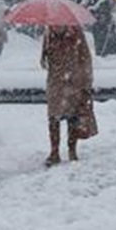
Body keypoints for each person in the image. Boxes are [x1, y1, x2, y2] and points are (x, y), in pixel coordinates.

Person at [41, 23, 95, 166]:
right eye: (52, 24)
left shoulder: (76, 34)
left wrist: (86, 82)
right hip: (55, 83)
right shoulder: (48, 35)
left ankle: (72, 150)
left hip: (74, 82)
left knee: (72, 117)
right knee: (53, 118)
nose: (55, 26)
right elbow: (44, 60)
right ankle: (54, 152)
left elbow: (86, 58)